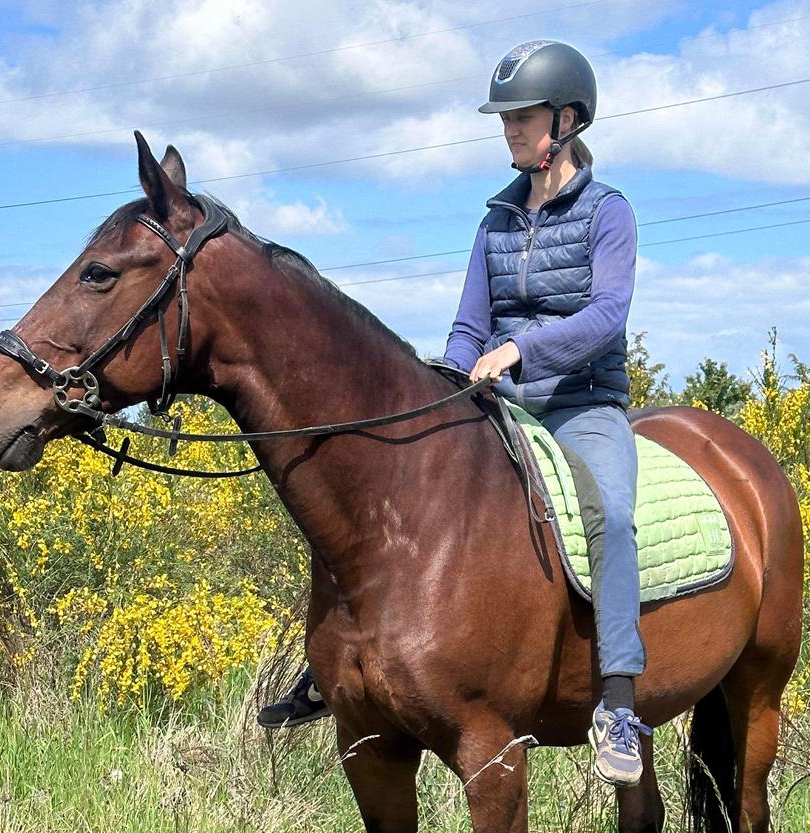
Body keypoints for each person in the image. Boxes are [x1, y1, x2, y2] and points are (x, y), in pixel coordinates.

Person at [257, 39, 651, 786]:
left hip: (580, 403)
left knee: (614, 512)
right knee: (378, 488)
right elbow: (470, 325)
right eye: (504, 118)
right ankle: (334, 658)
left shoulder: (609, 213)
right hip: (498, 400)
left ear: (567, 120)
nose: (509, 130)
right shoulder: (495, 220)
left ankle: (620, 704)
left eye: (522, 117)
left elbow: (607, 317)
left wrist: (522, 351)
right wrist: (449, 374)